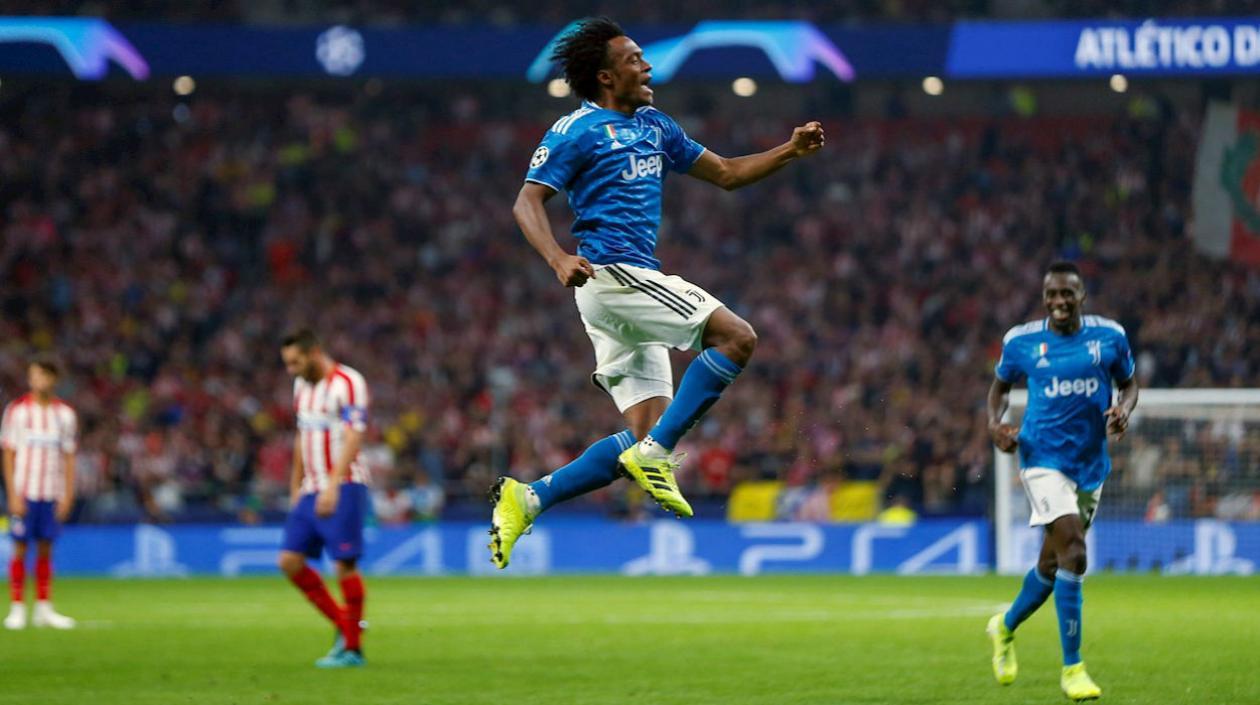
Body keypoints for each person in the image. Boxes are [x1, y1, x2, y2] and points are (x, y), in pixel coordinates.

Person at [488, 16, 824, 568]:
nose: (647, 67)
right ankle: (659, 453)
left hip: (623, 289)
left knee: (641, 434)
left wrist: (789, 150)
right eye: (633, 61)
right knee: (737, 339)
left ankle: (529, 497)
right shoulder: (577, 129)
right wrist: (556, 258)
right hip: (613, 276)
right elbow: (527, 202)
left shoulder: (655, 125)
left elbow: (729, 174)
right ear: (604, 76)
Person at [985, 261, 1139, 701]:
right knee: (1075, 550)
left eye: (1066, 294)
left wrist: (1125, 409)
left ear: (1081, 295)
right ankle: (1073, 668)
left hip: (1090, 463)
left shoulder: (1110, 337)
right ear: (1044, 297)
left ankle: (1004, 627)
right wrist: (995, 425)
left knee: (1052, 567)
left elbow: (1129, 384)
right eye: (1051, 294)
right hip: (1041, 458)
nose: (1058, 302)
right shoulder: (1022, 341)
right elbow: (998, 389)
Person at [277, 329, 371, 668]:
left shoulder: (348, 382)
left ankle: (353, 649)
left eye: (295, 362)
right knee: (289, 561)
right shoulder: (301, 386)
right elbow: (303, 436)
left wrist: (333, 485)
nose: (291, 369)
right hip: (310, 487)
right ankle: (345, 625)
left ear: (314, 352)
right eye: (287, 364)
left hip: (344, 483)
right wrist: (295, 487)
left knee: (344, 565)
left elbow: (353, 436)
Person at [3, 357, 78, 630]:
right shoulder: (17, 411)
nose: (38, 380)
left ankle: (44, 608)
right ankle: (17, 608)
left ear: (53, 379)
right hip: (25, 490)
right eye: (34, 375)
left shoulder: (65, 415)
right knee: (20, 547)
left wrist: (67, 494)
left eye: (43, 375)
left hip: (51, 492)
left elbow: (69, 456)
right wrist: (11, 493)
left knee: (46, 549)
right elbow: (8, 453)